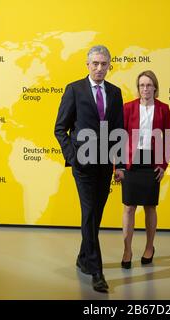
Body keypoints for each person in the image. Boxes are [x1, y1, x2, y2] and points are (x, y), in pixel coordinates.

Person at [54, 45, 124, 293]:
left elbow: (119, 131)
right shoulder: (74, 89)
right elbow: (60, 128)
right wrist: (72, 157)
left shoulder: (115, 93)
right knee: (90, 212)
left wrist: (120, 164)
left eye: (104, 64)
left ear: (109, 65)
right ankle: (97, 271)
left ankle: (84, 257)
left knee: (96, 214)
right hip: (82, 165)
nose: (99, 68)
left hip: (105, 164)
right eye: (95, 63)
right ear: (87, 64)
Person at [114, 70, 170, 269]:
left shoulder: (164, 109)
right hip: (131, 162)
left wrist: (163, 165)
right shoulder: (128, 107)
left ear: (155, 87)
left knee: (150, 207)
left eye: (148, 85)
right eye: (141, 85)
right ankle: (127, 249)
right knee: (129, 207)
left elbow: (168, 138)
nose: (145, 89)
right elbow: (119, 137)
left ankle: (149, 247)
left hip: (152, 162)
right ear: (138, 88)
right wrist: (118, 165)